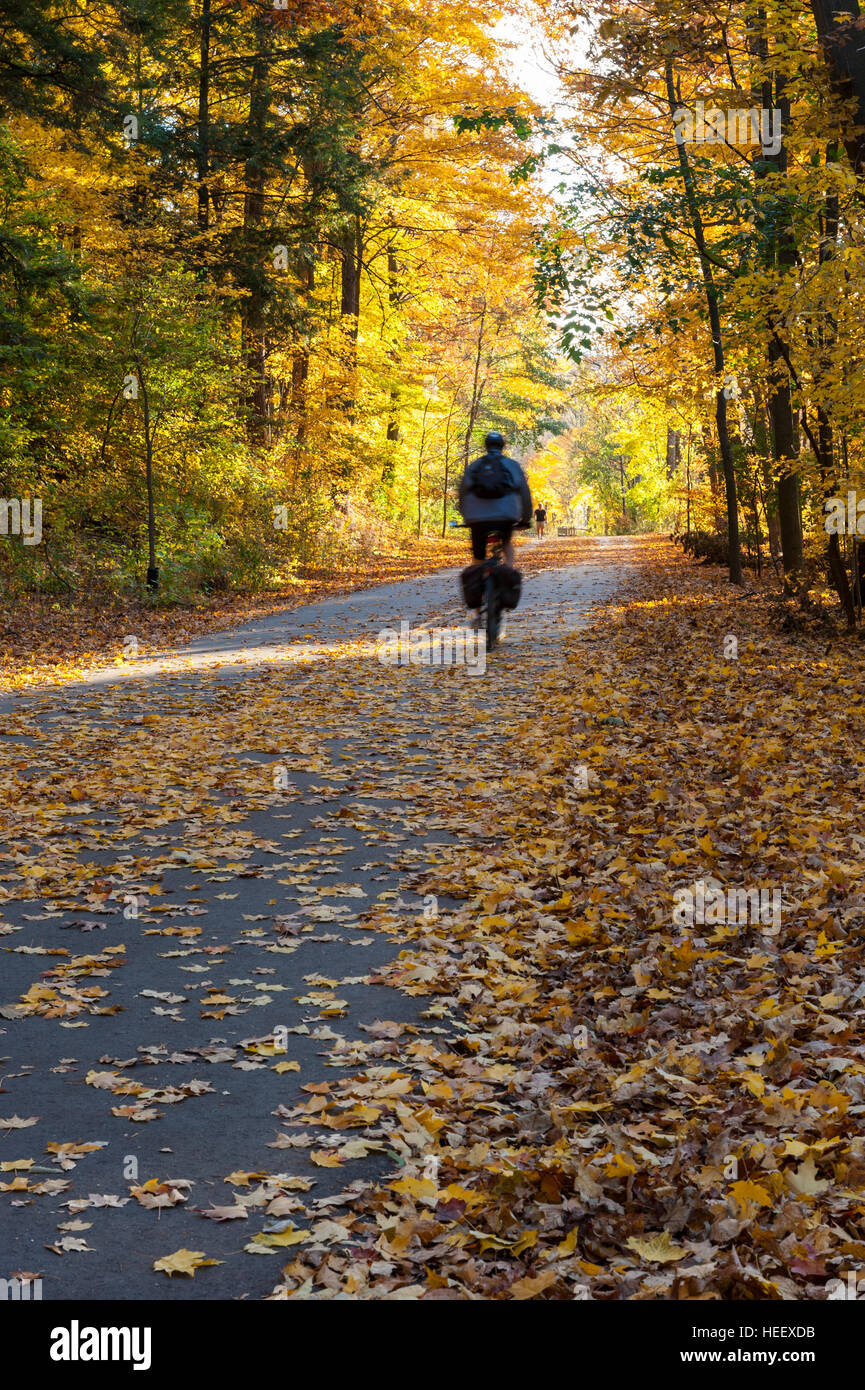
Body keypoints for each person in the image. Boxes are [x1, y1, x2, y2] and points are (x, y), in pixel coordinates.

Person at [458, 430, 532, 568]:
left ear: (486, 446)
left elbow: (462, 492)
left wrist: (466, 516)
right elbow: (525, 494)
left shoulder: (474, 466)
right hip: (506, 516)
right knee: (507, 544)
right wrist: (525, 519)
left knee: (478, 557)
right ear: (502, 446)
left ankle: (478, 582)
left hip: (477, 517)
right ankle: (509, 572)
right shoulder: (512, 466)